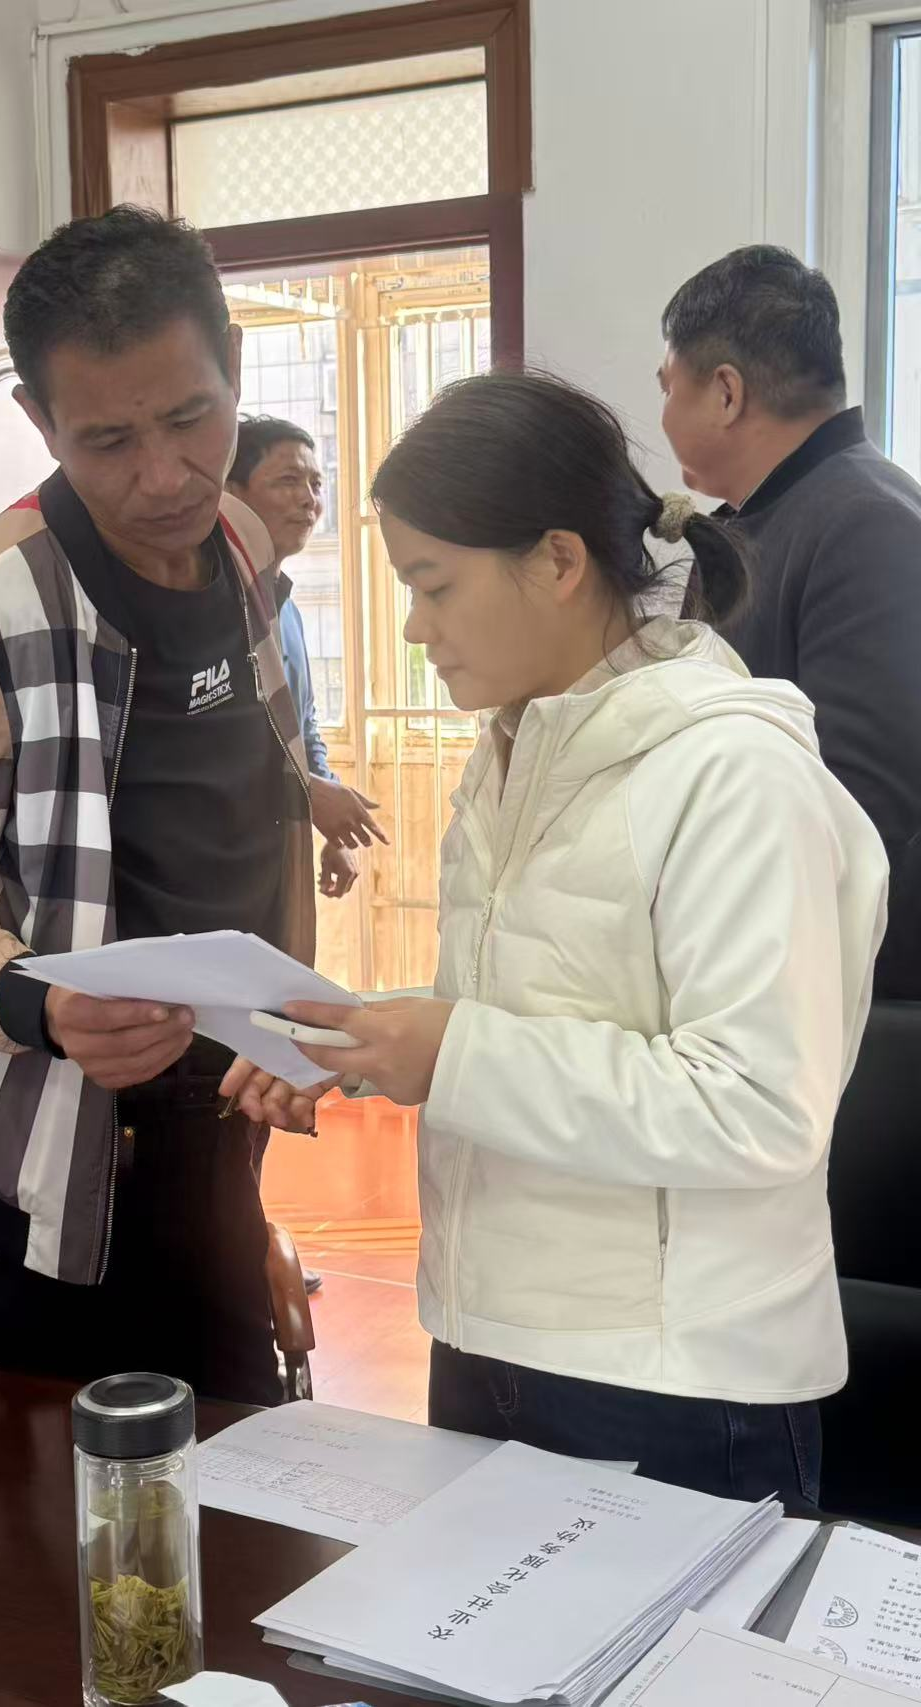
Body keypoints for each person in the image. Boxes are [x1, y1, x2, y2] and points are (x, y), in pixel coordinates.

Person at [222, 370, 888, 1509]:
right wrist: (363, 1042)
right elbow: (524, 1014)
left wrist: (446, 1051)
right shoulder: (514, 751)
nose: (413, 627)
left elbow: (757, 1107)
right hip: (488, 1330)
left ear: (559, 560)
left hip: (673, 1379)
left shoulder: (731, 773)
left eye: (433, 585)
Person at [0, 207, 317, 1407]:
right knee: (72, 1503)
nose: (162, 477)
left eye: (190, 419)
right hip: (52, 1166)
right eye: (106, 440)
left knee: (242, 1471)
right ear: (37, 421)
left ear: (234, 369)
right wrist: (41, 1003)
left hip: (223, 1124)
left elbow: (236, 790)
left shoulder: (240, 543)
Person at [659, 244, 921, 997]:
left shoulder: (868, 523)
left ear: (726, 393)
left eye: (668, 386)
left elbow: (862, 812)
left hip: (823, 983)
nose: (663, 412)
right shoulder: (756, 521)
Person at [226, 415, 388, 901]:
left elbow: (304, 726)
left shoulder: (287, 607)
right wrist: (310, 794)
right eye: (288, 481)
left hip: (280, 852)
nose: (309, 500)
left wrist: (331, 826)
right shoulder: (210, 607)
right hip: (221, 858)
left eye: (317, 484)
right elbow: (209, 745)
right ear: (232, 494)